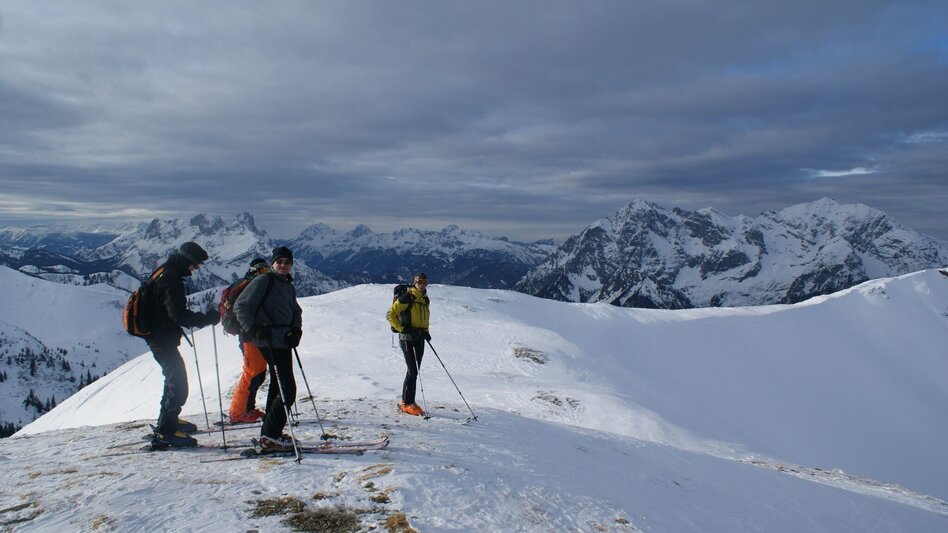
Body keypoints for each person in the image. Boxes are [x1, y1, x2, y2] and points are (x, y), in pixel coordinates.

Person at [143, 242, 220, 448]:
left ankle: (168, 421)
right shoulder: (171, 278)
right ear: (188, 261)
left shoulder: (164, 271)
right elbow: (179, 315)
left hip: (158, 336)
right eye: (195, 265)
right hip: (161, 338)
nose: (195, 269)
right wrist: (207, 319)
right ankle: (165, 431)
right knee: (178, 383)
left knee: (173, 379)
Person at [234, 246, 303, 451]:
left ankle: (269, 433)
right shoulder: (264, 281)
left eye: (287, 262)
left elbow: (295, 310)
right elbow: (241, 307)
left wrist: (296, 330)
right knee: (287, 389)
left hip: (283, 340)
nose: (283, 265)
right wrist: (254, 329)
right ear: (272, 263)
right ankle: (271, 436)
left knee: (278, 386)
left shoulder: (287, 284)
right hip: (269, 340)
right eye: (279, 261)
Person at [227, 258, 270, 423]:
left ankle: (247, 409)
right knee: (252, 373)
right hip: (250, 335)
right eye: (261, 270)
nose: (262, 274)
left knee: (257, 374)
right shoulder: (250, 286)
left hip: (254, 335)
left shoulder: (247, 284)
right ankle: (238, 412)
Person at [387, 272, 431, 416]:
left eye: (424, 282)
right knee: (412, 370)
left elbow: (425, 318)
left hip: (419, 338)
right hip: (407, 338)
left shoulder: (425, 299)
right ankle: (407, 403)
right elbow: (390, 314)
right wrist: (401, 328)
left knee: (414, 370)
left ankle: (409, 401)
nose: (422, 284)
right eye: (419, 282)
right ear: (414, 283)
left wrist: (426, 331)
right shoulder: (407, 297)